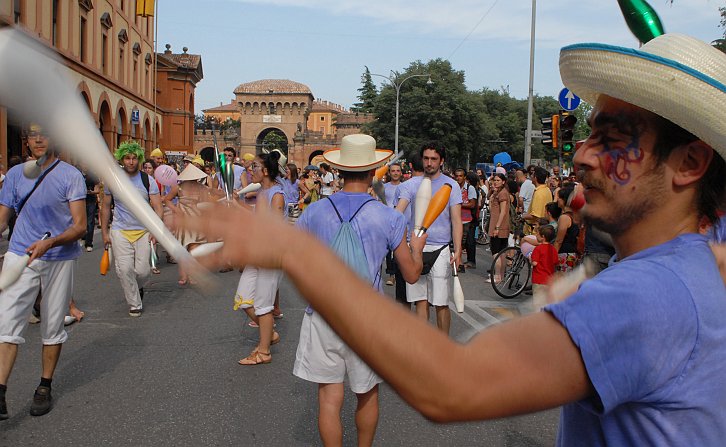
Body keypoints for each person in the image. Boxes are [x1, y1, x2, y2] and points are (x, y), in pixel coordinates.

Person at [181, 32, 726, 444]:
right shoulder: (690, 270)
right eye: (588, 134)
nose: (583, 154)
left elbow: (452, 384)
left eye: (611, 139)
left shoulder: (651, 294)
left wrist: (294, 250)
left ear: (690, 163)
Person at [292, 134, 424, 446]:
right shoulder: (390, 216)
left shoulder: (314, 212)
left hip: (325, 312)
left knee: (328, 398)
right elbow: (412, 275)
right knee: (366, 393)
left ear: (337, 171)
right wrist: (416, 248)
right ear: (373, 171)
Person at [0, 123, 86, 418]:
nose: (38, 139)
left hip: (58, 257)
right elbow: (3, 217)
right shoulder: (14, 175)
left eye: (44, 133)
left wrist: (50, 243)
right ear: (26, 141)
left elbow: (80, 226)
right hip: (19, 255)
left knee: (52, 325)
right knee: (7, 325)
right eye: (32, 135)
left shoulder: (70, 175)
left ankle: (44, 386)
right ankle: (0, 392)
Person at [395, 142, 462, 334]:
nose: (429, 163)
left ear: (442, 161)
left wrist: (457, 250)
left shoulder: (452, 186)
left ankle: (442, 347)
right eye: (426, 158)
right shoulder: (409, 186)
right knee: (420, 302)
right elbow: (399, 211)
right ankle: (423, 348)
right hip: (415, 248)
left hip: (440, 249)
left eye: (434, 159)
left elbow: (456, 220)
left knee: (441, 303)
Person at [233, 151, 286, 365]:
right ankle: (269, 334)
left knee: (264, 304)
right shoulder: (262, 193)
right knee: (244, 297)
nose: (250, 170)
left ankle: (263, 352)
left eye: (254, 167)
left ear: (265, 171)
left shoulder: (276, 194)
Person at [100, 141, 163, 317]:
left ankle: (137, 286)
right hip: (120, 230)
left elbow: (158, 207)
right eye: (127, 158)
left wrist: (156, 231)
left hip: (143, 230)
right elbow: (105, 207)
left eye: (134, 158)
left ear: (139, 159)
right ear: (122, 159)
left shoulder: (147, 180)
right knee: (125, 269)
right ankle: (135, 303)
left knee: (143, 271)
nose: (131, 162)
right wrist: (105, 232)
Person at [552, 183, 580, 273]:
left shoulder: (564, 218)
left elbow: (559, 241)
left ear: (564, 200)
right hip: (573, 253)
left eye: (559, 198)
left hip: (564, 254)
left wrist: (553, 257)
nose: (558, 201)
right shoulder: (575, 215)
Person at [530, 224, 558, 310]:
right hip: (549, 280)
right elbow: (555, 262)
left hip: (538, 279)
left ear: (543, 237)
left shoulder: (538, 249)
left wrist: (530, 259)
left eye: (537, 234)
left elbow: (534, 263)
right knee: (546, 302)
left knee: (538, 302)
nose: (536, 236)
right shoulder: (553, 249)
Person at [455, 168, 477, 272]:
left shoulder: (470, 188)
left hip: (466, 220)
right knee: (458, 242)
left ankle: (461, 264)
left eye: (460, 176)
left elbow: (472, 204)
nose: (458, 178)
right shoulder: (454, 188)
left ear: (464, 177)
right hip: (456, 219)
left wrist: (459, 204)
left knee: (463, 243)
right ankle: (459, 263)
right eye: (457, 176)